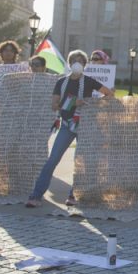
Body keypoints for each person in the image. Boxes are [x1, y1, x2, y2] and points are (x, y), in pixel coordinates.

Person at [27, 49, 113, 207]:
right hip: (67, 125)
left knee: (82, 161)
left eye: (80, 61)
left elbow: (108, 94)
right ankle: (36, 194)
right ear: (69, 63)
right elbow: (54, 105)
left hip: (86, 126)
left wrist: (92, 104)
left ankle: (74, 194)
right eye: (74, 61)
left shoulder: (89, 81)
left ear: (85, 65)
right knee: (52, 160)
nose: (77, 64)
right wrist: (73, 102)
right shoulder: (61, 82)